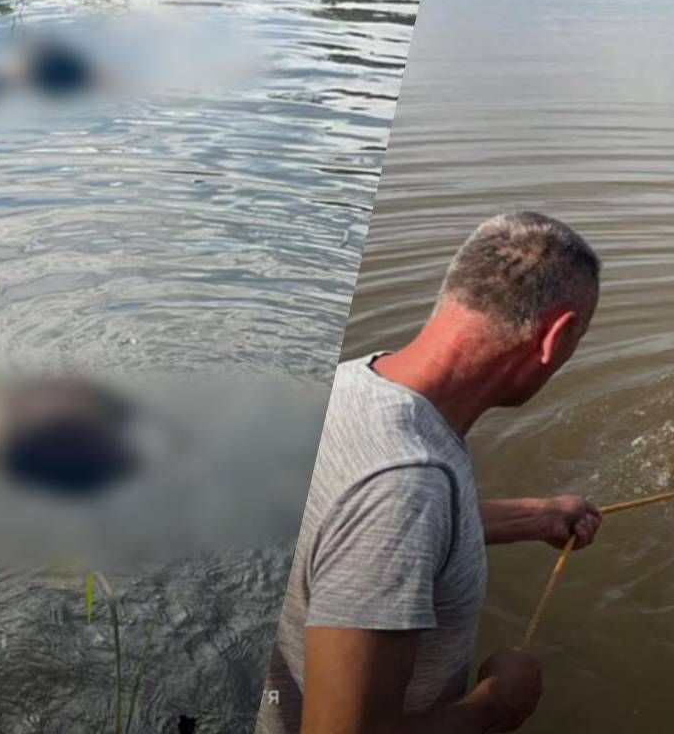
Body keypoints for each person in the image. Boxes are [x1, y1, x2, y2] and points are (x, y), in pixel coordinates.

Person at [258, 212, 606, 734]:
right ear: (555, 338)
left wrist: (535, 516)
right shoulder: (404, 485)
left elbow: (350, 536)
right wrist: (496, 705)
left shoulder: (351, 384)